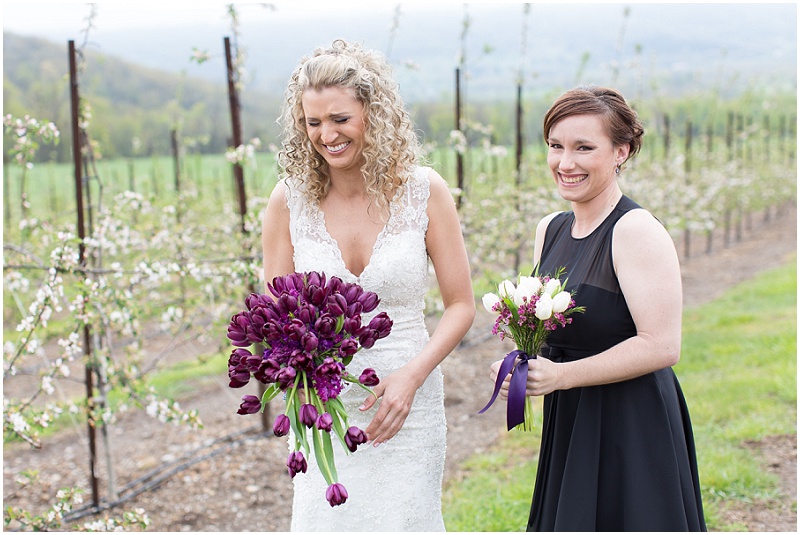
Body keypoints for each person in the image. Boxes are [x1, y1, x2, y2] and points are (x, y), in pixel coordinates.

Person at [261, 39, 475, 531]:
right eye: (312, 122)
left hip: (407, 403)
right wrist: (303, 379)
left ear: (372, 114)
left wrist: (412, 378)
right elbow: (274, 317)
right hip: (323, 407)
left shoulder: (425, 191)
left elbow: (461, 305)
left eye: (340, 119)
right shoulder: (287, 201)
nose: (326, 135)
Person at [489, 86, 706, 531]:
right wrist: (525, 363)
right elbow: (561, 330)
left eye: (584, 148)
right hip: (573, 419)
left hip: (633, 420)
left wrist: (563, 376)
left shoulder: (635, 230)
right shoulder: (550, 228)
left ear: (620, 151)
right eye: (556, 146)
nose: (565, 163)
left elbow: (662, 345)